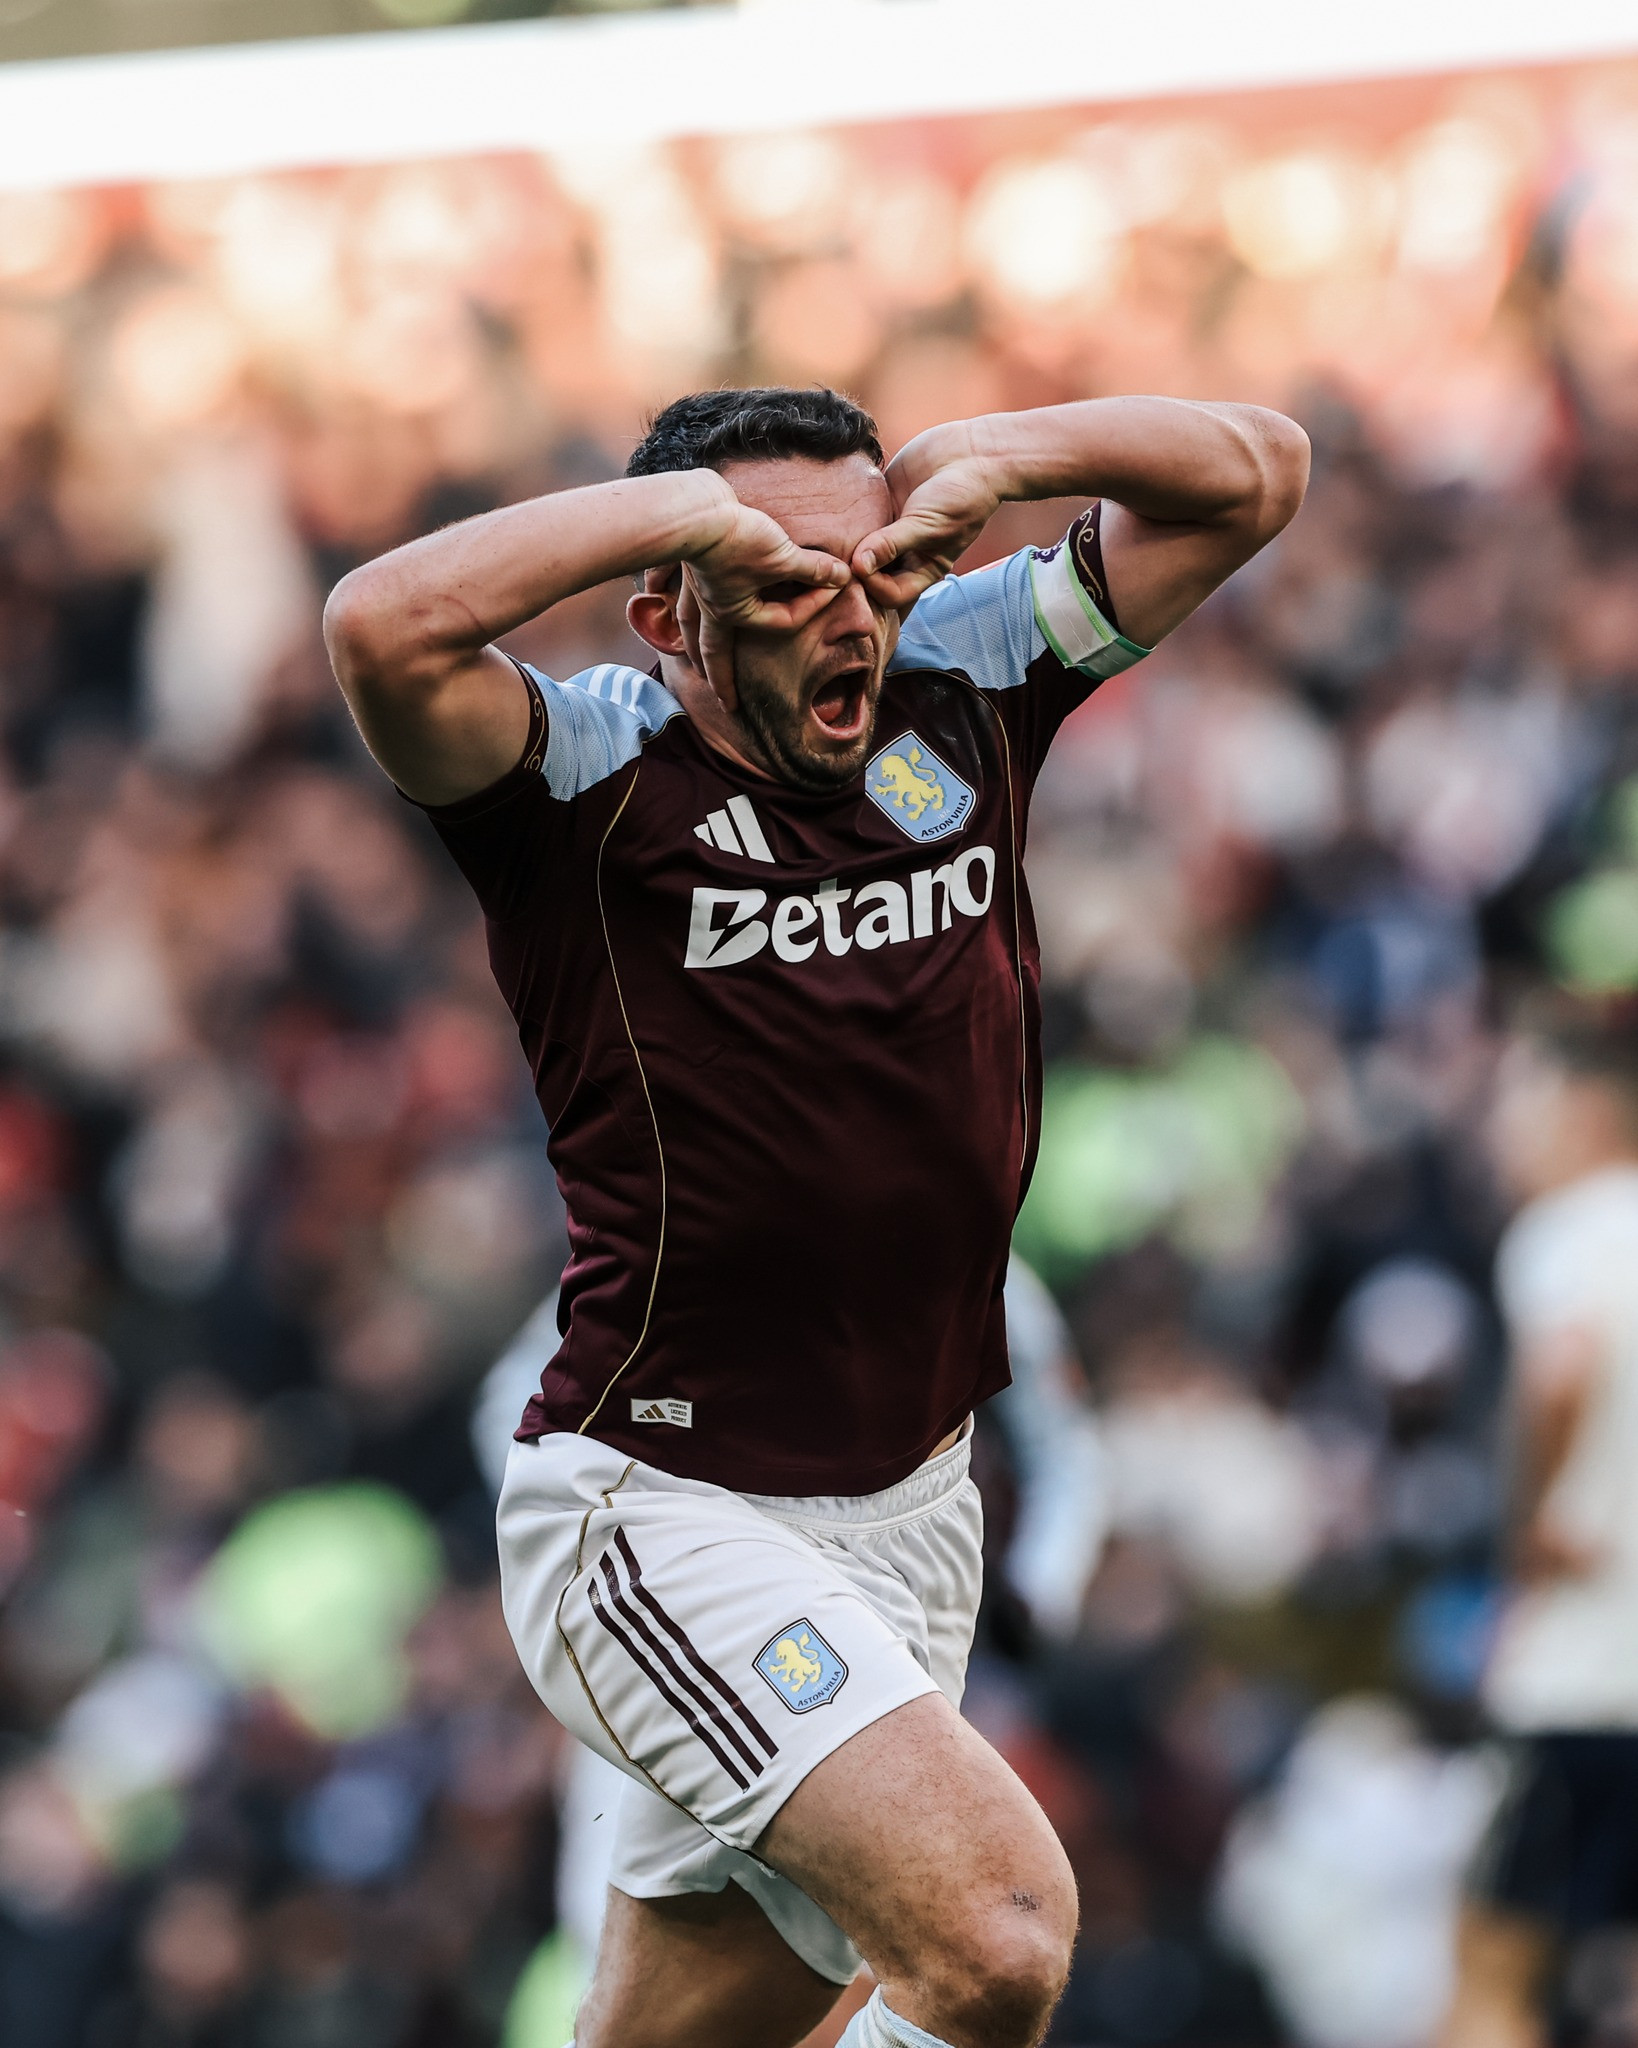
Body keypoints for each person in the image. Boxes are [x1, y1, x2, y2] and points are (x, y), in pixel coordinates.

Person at [325, 385, 1308, 2048]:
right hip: (662, 1508)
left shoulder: (964, 674)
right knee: (995, 1940)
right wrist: (684, 521)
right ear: (668, 618)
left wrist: (996, 460)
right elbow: (380, 624)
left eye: (872, 570)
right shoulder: (583, 770)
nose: (849, 616)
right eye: (783, 586)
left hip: (911, 1513)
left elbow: (1257, 472)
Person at [1441, 1027, 1638, 2048]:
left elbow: (1563, 1370)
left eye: (1524, 1105)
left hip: (1583, 1677)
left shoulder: (1574, 1228)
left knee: (1494, 1968)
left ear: (1586, 1111)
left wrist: (1531, 1525)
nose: (1504, 1132)